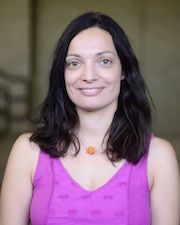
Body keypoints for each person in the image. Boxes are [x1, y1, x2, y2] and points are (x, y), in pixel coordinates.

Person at [0, 12, 179, 225]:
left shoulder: (159, 157)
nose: (89, 75)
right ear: (63, 73)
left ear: (123, 70)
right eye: (74, 63)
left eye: (104, 61)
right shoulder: (28, 151)